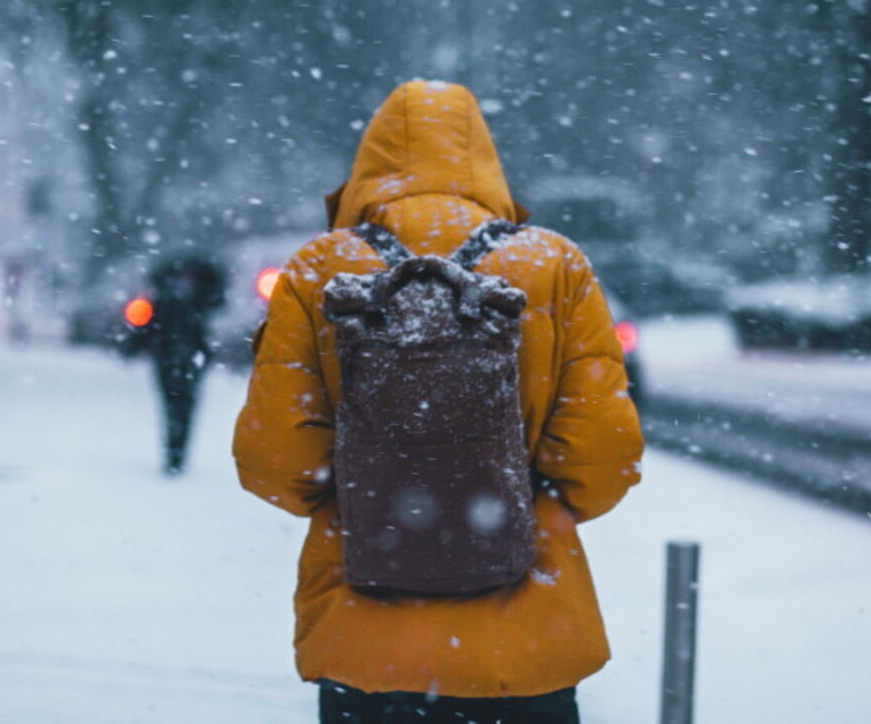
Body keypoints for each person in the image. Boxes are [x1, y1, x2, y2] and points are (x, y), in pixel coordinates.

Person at [233, 80, 644, 722]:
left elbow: (273, 460)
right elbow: (604, 457)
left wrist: (371, 498)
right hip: (526, 650)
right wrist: (513, 504)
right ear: (485, 160)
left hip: (364, 649)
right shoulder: (554, 265)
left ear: (368, 165)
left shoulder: (319, 271)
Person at [127, 255, 224, 475]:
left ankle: (175, 453)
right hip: (183, 357)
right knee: (181, 406)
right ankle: (176, 453)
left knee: (175, 406)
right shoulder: (196, 297)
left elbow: (145, 325)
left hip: (173, 357)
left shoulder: (169, 296)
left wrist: (134, 347)